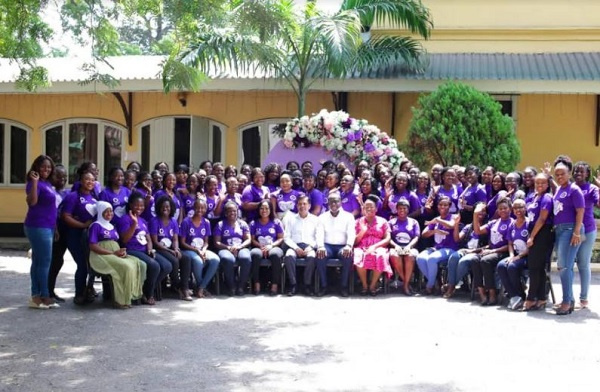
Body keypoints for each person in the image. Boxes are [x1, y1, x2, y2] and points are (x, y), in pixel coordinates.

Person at [118, 192, 172, 305]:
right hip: (132, 250)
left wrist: (150, 249)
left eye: (142, 206)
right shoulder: (125, 219)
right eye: (136, 205)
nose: (139, 208)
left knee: (167, 266)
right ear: (131, 205)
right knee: (154, 266)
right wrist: (134, 224)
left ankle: (145, 287)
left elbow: (148, 239)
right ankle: (149, 294)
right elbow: (124, 240)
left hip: (144, 250)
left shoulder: (143, 221)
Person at [88, 201, 146, 308]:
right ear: (100, 212)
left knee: (139, 264)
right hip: (101, 256)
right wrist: (112, 253)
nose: (109, 214)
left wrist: (120, 251)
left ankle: (132, 295)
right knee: (126, 267)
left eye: (111, 211)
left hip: (114, 253)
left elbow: (116, 244)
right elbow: (93, 246)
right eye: (106, 211)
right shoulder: (95, 226)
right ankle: (120, 300)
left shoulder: (111, 226)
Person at [24, 155, 59, 309]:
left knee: (38, 261)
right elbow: (32, 202)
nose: (46, 169)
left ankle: (36, 296)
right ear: (36, 167)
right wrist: (35, 182)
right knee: (44, 262)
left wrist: (55, 228)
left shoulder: (47, 183)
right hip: (37, 226)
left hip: (48, 226)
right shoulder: (34, 183)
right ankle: (43, 296)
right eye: (43, 166)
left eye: (49, 167)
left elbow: (51, 208)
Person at [551, 159, 585, 315]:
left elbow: (580, 211)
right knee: (562, 266)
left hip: (571, 229)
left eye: (562, 173)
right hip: (559, 230)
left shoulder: (574, 189)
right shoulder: (559, 190)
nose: (559, 176)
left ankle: (566, 302)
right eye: (556, 174)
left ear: (569, 173)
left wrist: (577, 232)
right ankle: (568, 299)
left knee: (564, 267)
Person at [61, 171, 97, 305]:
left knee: (91, 264)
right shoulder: (73, 197)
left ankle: (88, 290)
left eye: (93, 180)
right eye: (87, 179)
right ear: (81, 181)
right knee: (82, 265)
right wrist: (82, 225)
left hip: (89, 237)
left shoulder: (94, 198)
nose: (90, 182)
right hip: (74, 236)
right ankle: (79, 294)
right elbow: (66, 216)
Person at [150, 196, 193, 301]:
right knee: (174, 260)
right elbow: (155, 242)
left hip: (171, 248)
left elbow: (175, 239)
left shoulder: (173, 221)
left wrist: (176, 249)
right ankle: (176, 285)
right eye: (163, 206)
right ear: (159, 208)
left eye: (168, 207)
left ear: (172, 208)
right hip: (159, 249)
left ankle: (185, 287)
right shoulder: (154, 221)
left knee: (186, 258)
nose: (165, 208)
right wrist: (170, 251)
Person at [472, 197, 513, 305]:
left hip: (503, 252)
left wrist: (492, 251)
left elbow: (510, 245)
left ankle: (492, 293)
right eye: (500, 208)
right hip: (492, 251)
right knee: (474, 260)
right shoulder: (493, 222)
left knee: (486, 261)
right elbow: (478, 231)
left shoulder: (512, 223)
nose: (503, 210)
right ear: (497, 210)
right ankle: (482, 294)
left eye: (505, 208)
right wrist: (476, 214)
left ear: (510, 209)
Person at [523, 173, 554, 311]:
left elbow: (542, 219)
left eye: (542, 183)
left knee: (534, 268)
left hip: (542, 234)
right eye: (537, 183)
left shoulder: (547, 198)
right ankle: (541, 298)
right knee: (538, 268)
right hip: (534, 233)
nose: (539, 185)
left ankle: (530, 299)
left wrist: (532, 237)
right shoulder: (534, 197)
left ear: (547, 185)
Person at [315, 192, 356, 297]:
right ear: (328, 203)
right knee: (320, 256)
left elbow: (351, 233)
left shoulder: (349, 216)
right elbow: (319, 233)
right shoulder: (322, 217)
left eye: (336, 201)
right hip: (327, 246)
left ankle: (343, 286)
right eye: (331, 201)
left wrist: (349, 246)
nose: (333, 203)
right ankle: (324, 286)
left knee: (348, 256)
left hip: (342, 246)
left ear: (341, 202)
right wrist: (320, 246)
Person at [416, 196, 459, 295]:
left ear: (449, 206)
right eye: (440, 204)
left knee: (431, 259)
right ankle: (436, 283)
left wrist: (437, 220)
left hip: (450, 249)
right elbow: (424, 234)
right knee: (420, 258)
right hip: (436, 248)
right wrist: (435, 230)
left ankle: (429, 286)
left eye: (445, 205)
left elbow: (452, 225)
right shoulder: (435, 220)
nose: (442, 206)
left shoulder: (454, 217)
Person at [179, 199, 220, 298]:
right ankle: (202, 288)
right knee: (198, 261)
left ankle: (201, 287)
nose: (200, 210)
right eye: (197, 207)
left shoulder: (206, 222)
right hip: (189, 250)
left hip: (202, 249)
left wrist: (204, 250)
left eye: (202, 208)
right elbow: (182, 242)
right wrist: (197, 250)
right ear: (194, 208)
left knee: (215, 259)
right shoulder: (186, 222)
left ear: (205, 209)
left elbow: (206, 241)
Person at [444, 206, 488, 299]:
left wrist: (472, 251)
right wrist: (456, 225)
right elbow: (457, 239)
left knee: (462, 262)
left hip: (478, 252)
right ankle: (452, 285)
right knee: (453, 257)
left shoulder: (488, 226)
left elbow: (490, 245)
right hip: (465, 250)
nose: (481, 212)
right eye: (479, 210)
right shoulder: (469, 226)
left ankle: (451, 286)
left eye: (483, 211)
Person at [572, 161, 598, 309]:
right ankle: (568, 298)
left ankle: (583, 298)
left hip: (586, 230)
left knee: (583, 263)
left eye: (581, 171)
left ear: (588, 174)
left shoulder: (592, 188)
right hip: (571, 230)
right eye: (576, 171)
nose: (578, 174)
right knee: (568, 264)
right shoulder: (570, 187)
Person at [354, 196, 392, 296]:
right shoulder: (358, 222)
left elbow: (387, 238)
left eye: (371, 207)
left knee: (380, 255)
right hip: (362, 246)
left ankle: (373, 285)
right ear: (363, 209)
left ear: (376, 209)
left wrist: (374, 247)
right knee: (358, 255)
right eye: (366, 207)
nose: (369, 209)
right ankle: (365, 285)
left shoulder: (383, 221)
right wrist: (363, 231)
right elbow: (355, 241)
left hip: (378, 246)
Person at [496, 199, 531, 310]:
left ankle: (521, 295)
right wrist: (511, 255)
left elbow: (531, 246)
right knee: (501, 265)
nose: (518, 210)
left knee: (511, 266)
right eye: (515, 208)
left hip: (526, 256)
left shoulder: (529, 223)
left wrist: (518, 257)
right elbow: (510, 243)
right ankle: (513, 296)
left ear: (525, 208)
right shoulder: (512, 224)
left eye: (520, 207)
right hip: (515, 255)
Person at [282, 195, 319, 296]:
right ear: (296, 205)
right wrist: (296, 248)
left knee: (312, 256)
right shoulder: (290, 219)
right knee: (289, 256)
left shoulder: (316, 220)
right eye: (299, 204)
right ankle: (293, 284)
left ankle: (307, 285)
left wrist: (310, 247)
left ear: (309, 206)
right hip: (294, 246)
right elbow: (287, 237)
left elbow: (318, 237)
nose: (302, 206)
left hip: (309, 246)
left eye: (304, 204)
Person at [213, 201, 252, 296]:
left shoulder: (243, 224)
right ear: (225, 213)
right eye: (230, 211)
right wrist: (228, 247)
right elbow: (216, 242)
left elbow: (248, 239)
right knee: (227, 259)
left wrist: (240, 246)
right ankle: (231, 287)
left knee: (246, 258)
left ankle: (241, 286)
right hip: (225, 248)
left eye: (234, 211)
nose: (232, 213)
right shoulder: (220, 225)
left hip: (241, 247)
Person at [249, 200, 284, 296]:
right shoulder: (253, 223)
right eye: (262, 208)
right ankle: (256, 284)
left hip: (274, 246)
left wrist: (271, 246)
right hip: (258, 246)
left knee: (275, 254)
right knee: (255, 254)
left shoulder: (276, 222)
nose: (264, 210)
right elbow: (251, 239)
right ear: (258, 210)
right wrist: (260, 246)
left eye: (267, 208)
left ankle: (274, 285)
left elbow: (281, 238)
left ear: (270, 210)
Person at [388, 199, 420, 296]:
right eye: (400, 208)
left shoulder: (414, 222)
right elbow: (388, 238)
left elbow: (416, 237)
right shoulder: (391, 222)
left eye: (404, 208)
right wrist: (396, 246)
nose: (402, 210)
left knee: (409, 256)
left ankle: (405, 285)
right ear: (396, 210)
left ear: (408, 210)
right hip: (396, 246)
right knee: (394, 255)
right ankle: (407, 284)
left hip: (410, 246)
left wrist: (409, 246)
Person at [48, 164, 69, 303]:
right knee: (52, 261)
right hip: (53, 230)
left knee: (58, 260)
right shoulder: (50, 192)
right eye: (58, 176)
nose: (62, 179)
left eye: (65, 176)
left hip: (66, 230)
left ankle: (51, 290)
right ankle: (47, 290)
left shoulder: (68, 193)